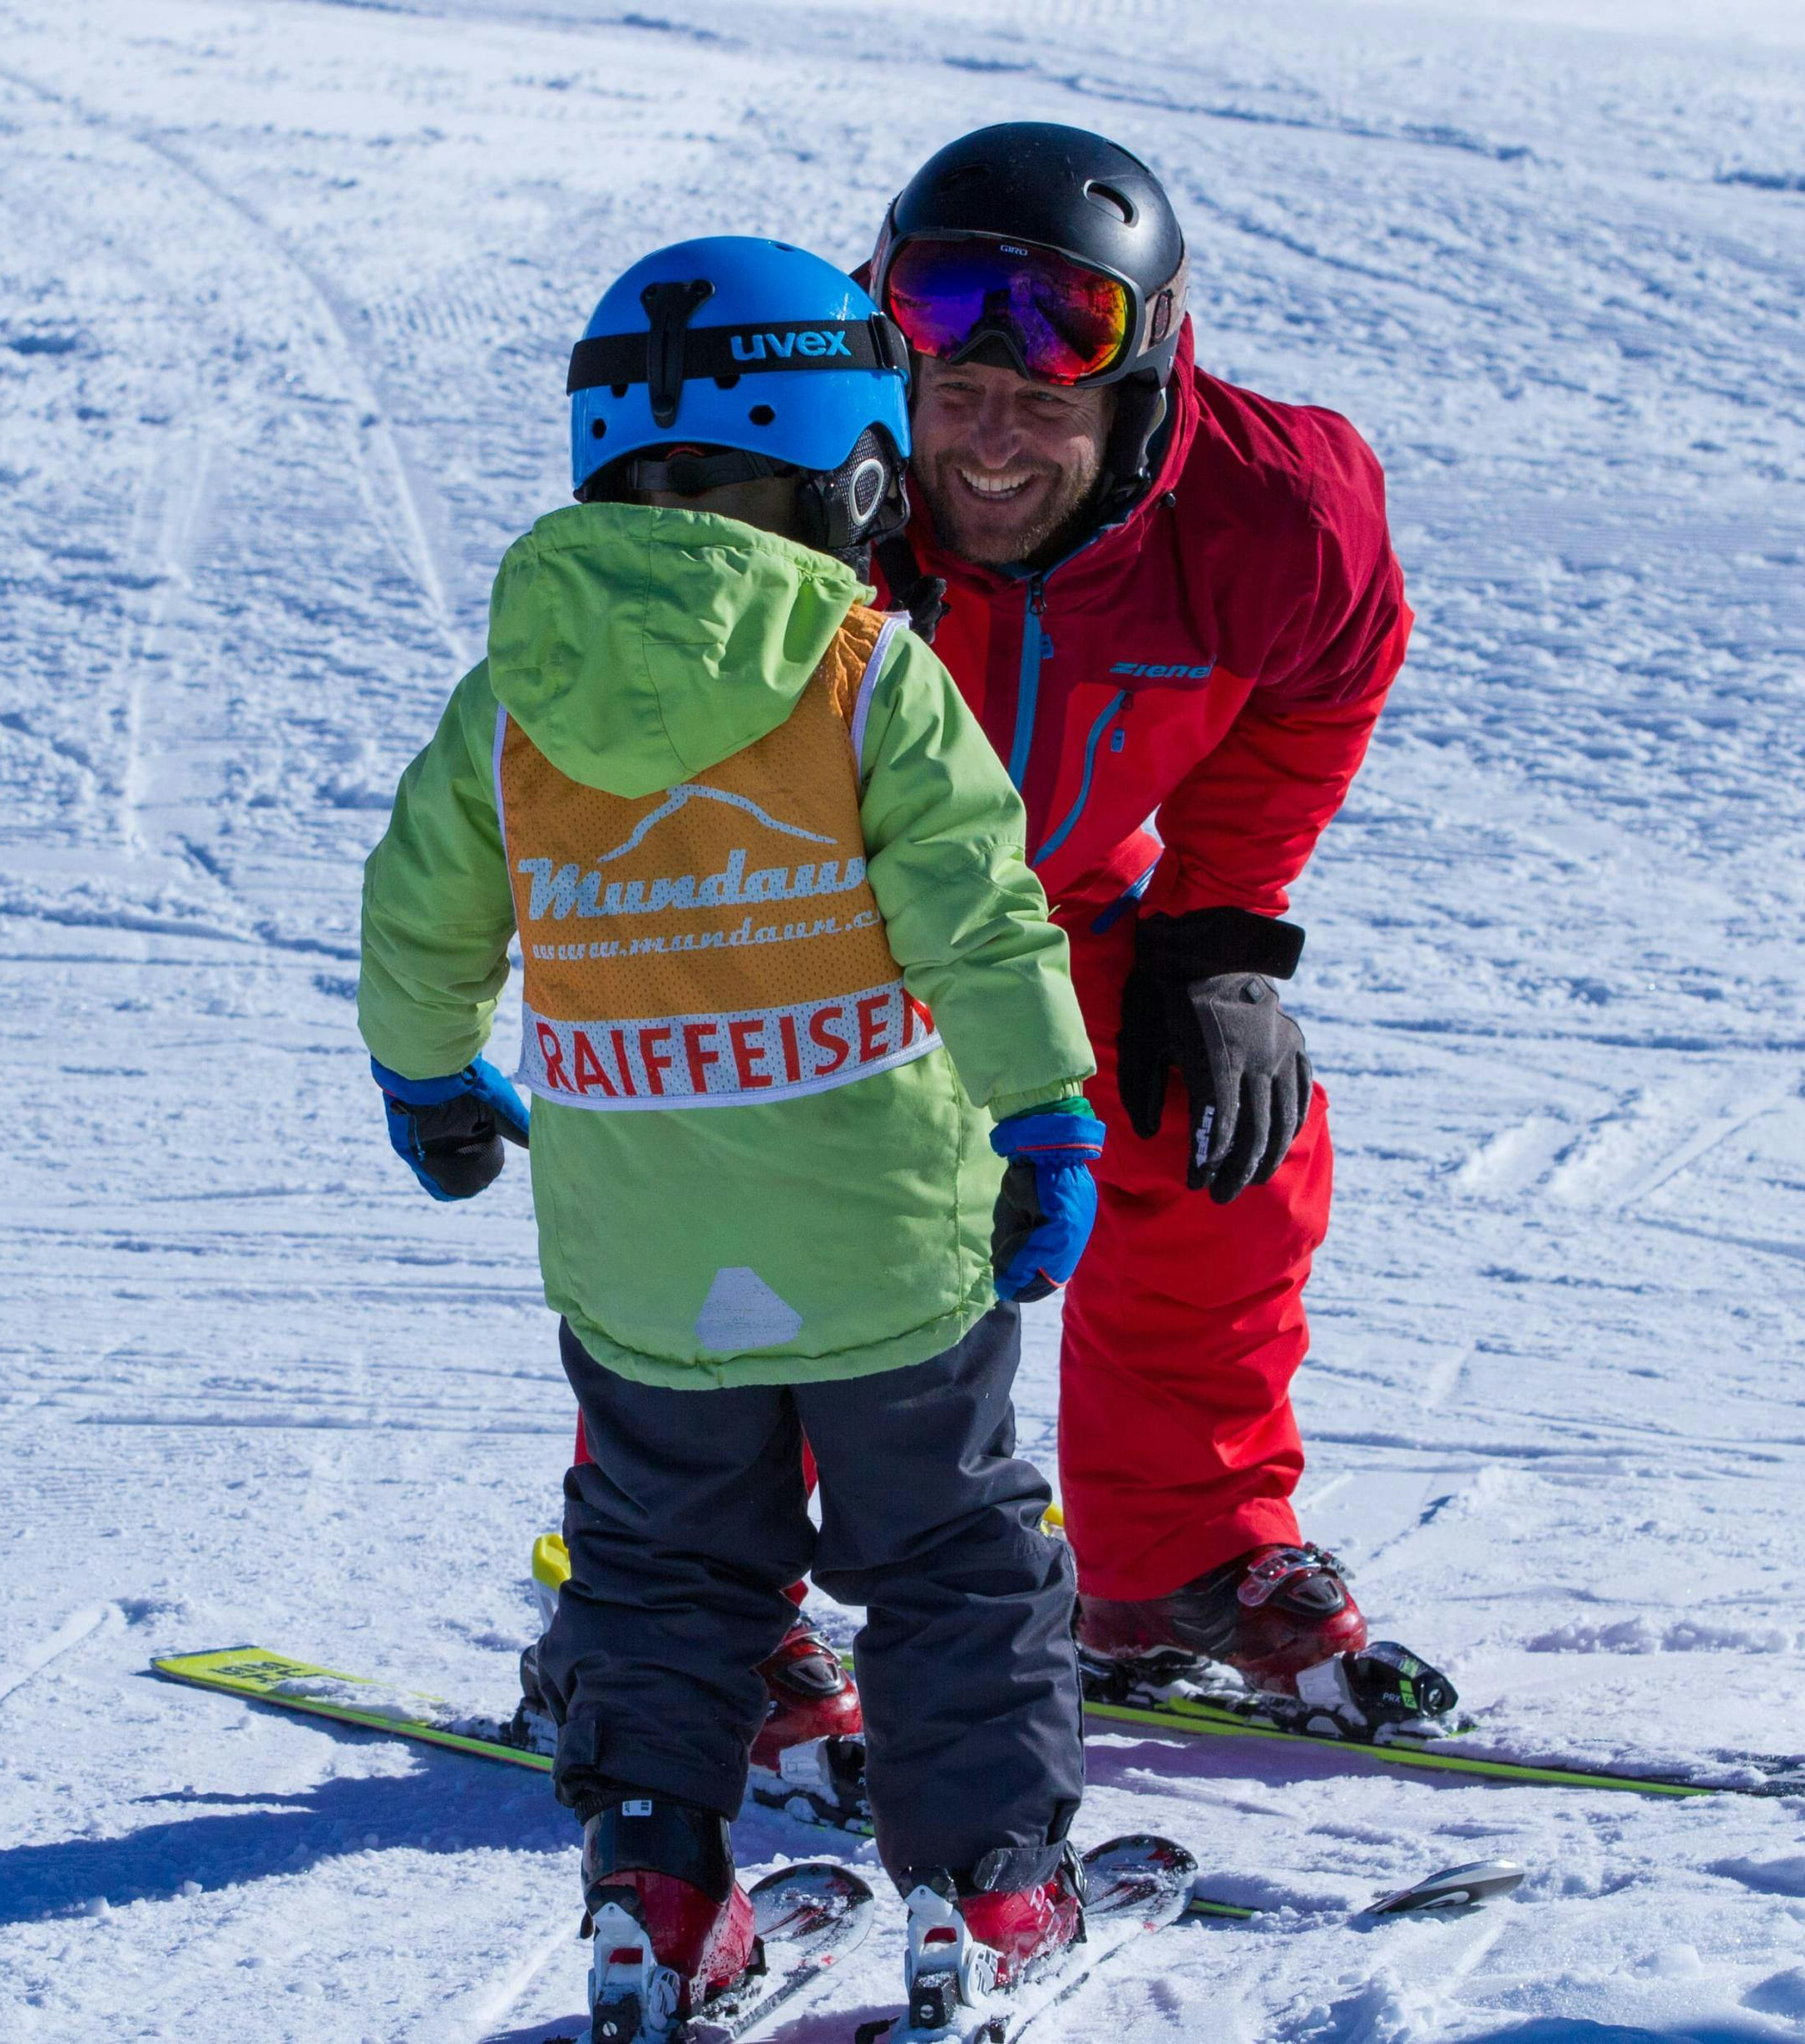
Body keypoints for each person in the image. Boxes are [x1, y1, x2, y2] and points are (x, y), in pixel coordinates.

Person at [355, 235, 1107, 2041]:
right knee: (950, 1555)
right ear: (858, 470)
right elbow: (983, 916)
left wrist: (429, 1077)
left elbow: (420, 911)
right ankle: (990, 1883)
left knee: (662, 1570)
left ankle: (660, 1893)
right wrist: (1046, 1114)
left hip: (639, 1259)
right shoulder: (866, 671)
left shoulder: (518, 693)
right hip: (887, 1246)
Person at [676, 124, 1421, 1747]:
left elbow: (1330, 675)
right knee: (778, 1184)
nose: (992, 439)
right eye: (953, 386)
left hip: (1052, 903)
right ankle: (694, 1601)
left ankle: (1177, 1555)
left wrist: (1220, 932)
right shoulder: (786, 486)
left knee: (1220, 1127)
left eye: (1046, 394)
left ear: (1140, 384)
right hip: (798, 910)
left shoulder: (1272, 514)